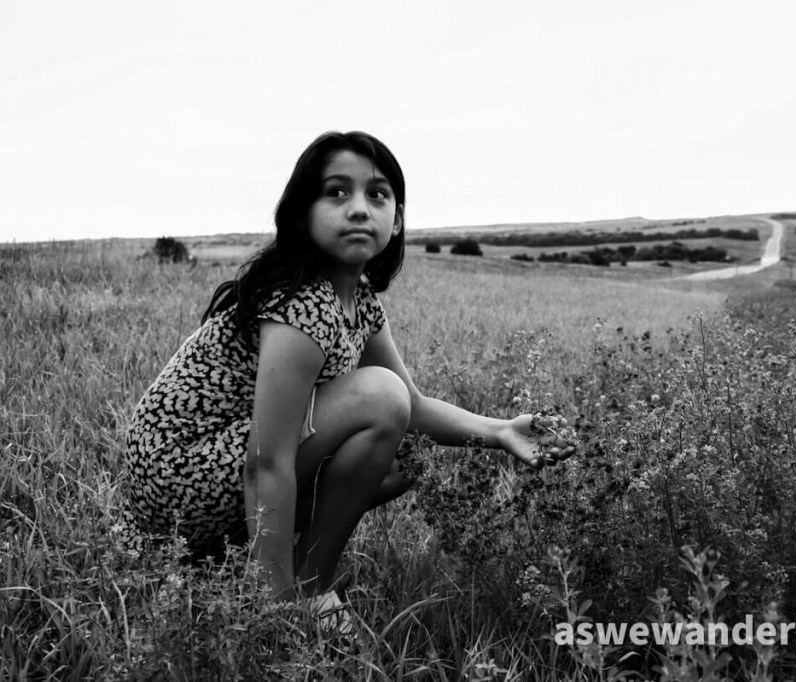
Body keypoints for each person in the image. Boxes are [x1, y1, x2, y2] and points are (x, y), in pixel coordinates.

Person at [123, 131, 574, 607]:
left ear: (396, 220)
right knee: (380, 395)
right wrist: (274, 612)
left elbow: (414, 407)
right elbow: (267, 461)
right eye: (336, 192)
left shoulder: (357, 299)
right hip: (180, 474)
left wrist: (502, 430)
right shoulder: (301, 301)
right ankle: (291, 600)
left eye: (377, 194)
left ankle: (303, 578)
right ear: (303, 213)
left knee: (408, 453)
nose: (359, 208)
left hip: (222, 468)